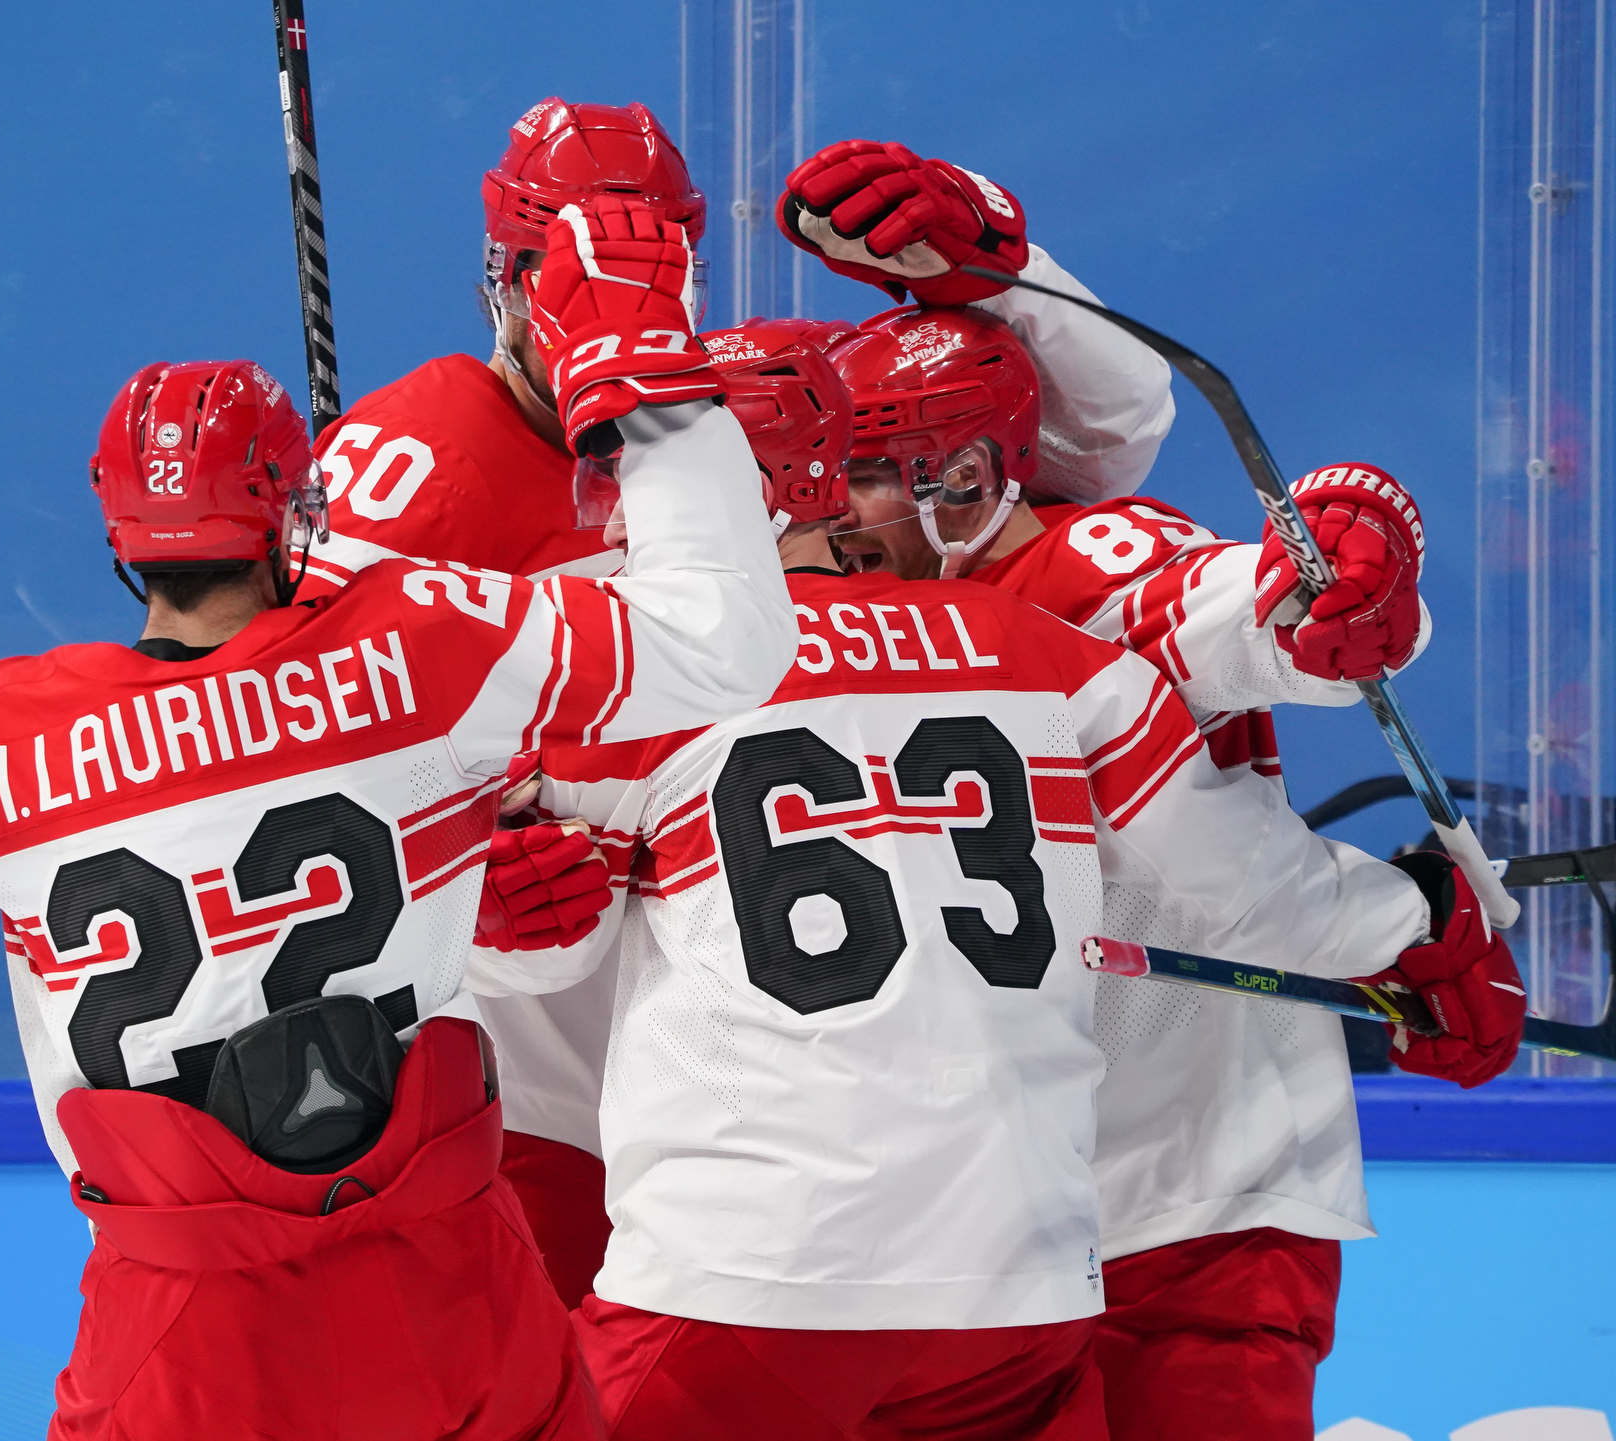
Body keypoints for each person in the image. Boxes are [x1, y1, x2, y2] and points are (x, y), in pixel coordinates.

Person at [0, 199, 796, 1441]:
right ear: (292, 510)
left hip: (189, 1331)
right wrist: (649, 385)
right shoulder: (422, 642)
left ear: (116, 530)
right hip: (450, 1292)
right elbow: (722, 642)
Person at [464, 320, 1518, 1441]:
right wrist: (1422, 915)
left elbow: (1222, 603)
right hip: (1021, 1279)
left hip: (783, 1266)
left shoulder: (622, 676)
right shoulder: (1038, 651)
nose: (614, 519)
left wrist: (493, 905)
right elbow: (1258, 889)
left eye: (641, 479)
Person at [321, 101, 1183, 1308]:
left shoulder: (730, 398)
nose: (613, 306)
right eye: (573, 273)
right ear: (503, 276)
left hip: (759, 1095)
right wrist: (453, 880)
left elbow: (1104, 441)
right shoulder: (405, 478)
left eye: (651, 271)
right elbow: (299, 779)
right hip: (537, 1092)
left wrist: (998, 267)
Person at [792, 143, 1525, 1439]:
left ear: (968, 474)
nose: (828, 512)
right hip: (995, 1211)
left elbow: (1232, 607)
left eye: (862, 473)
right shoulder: (875, 621)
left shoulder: (1091, 566)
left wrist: (1337, 585)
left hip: (1198, 1192)